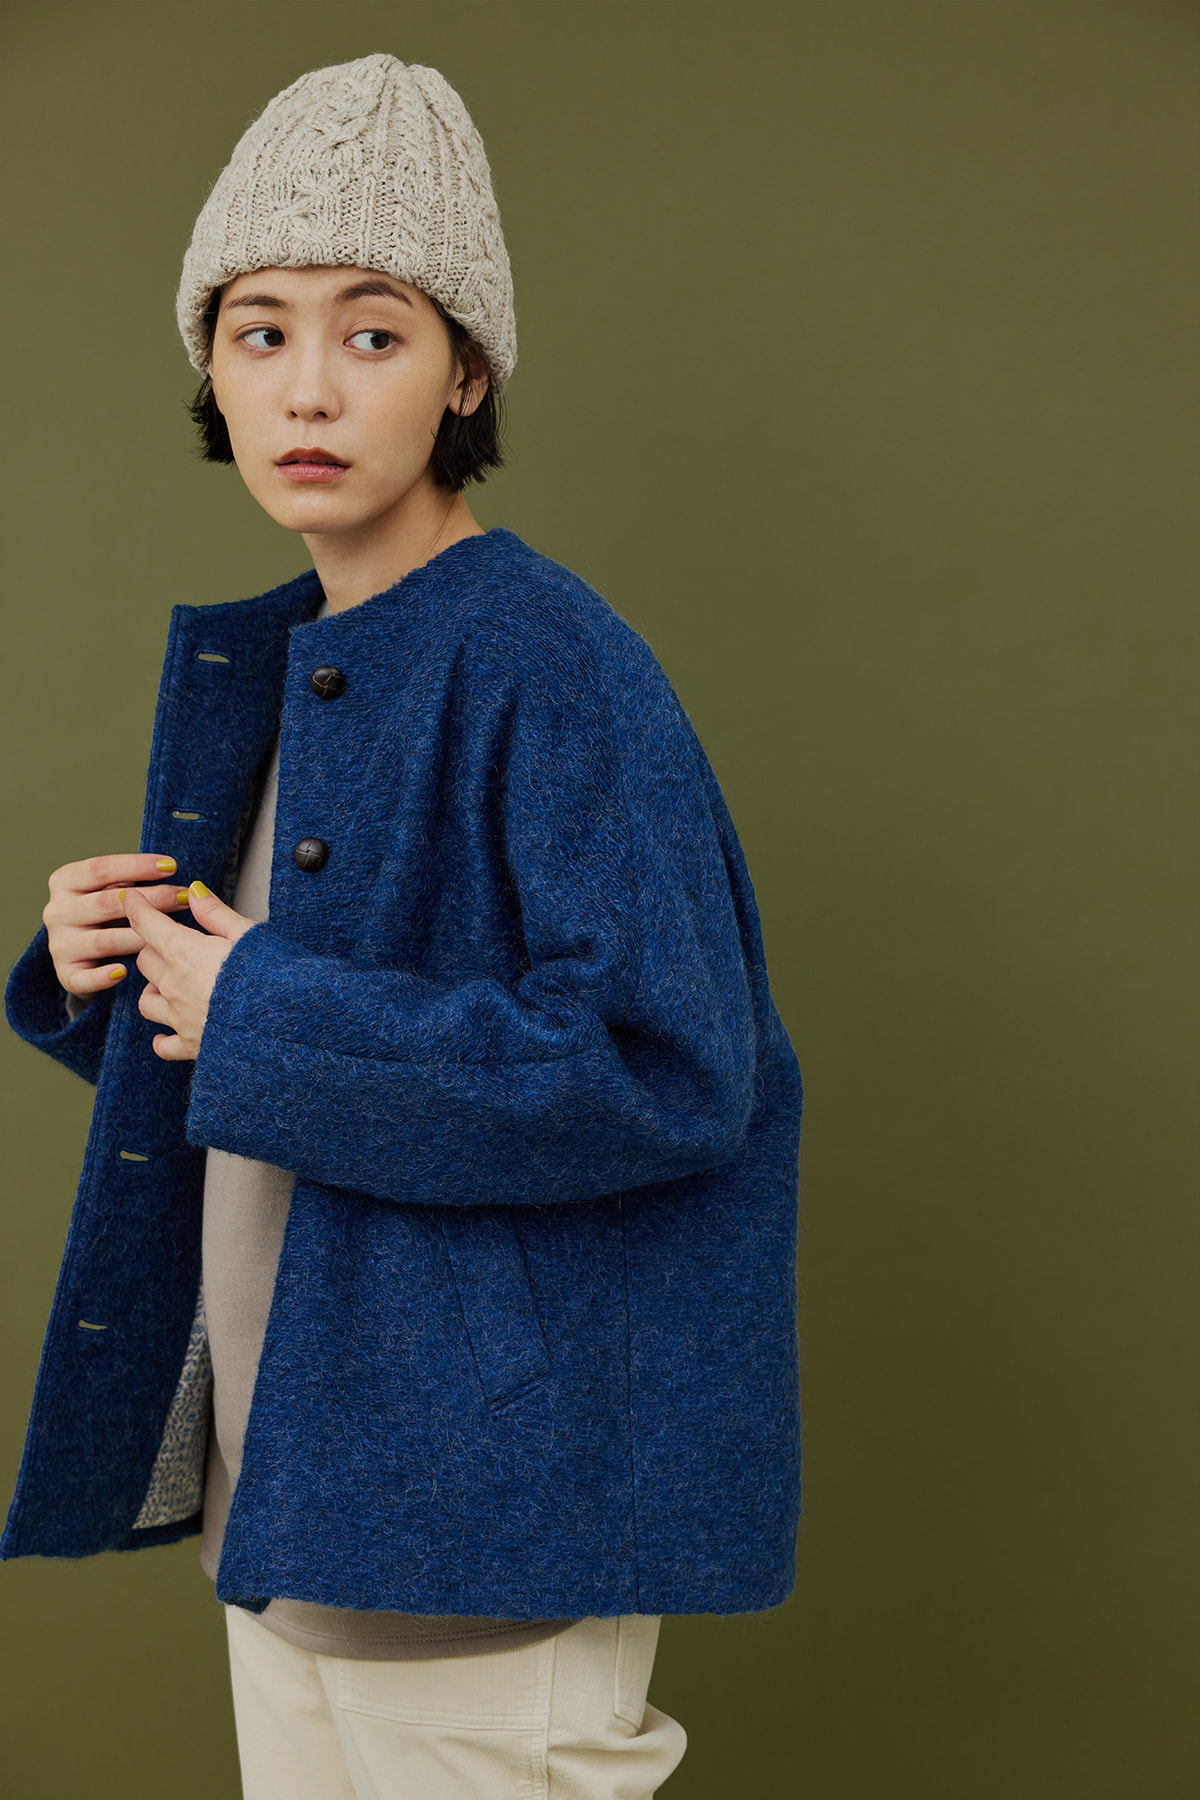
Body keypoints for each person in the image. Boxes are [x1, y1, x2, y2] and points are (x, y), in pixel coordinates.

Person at [1, 52, 803, 1800]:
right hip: (296, 1495)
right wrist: (113, 974)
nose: (308, 386)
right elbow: (292, 1043)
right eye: (259, 332)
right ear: (211, 366)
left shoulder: (545, 658)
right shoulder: (284, 657)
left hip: (479, 1518)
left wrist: (261, 1007)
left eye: (374, 333)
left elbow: (665, 1073)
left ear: (467, 372)